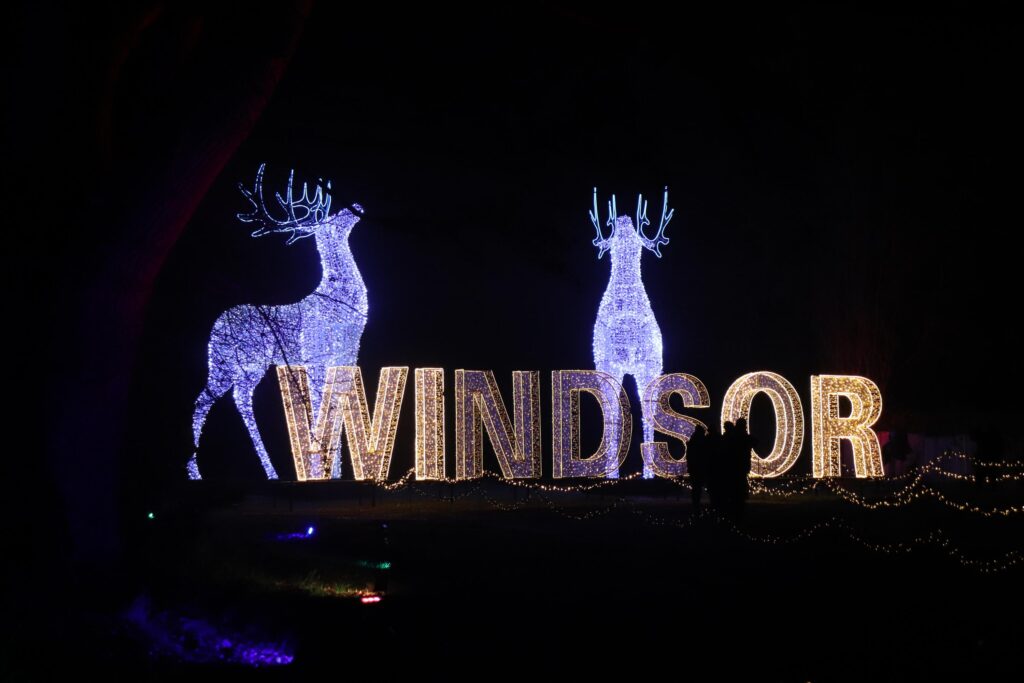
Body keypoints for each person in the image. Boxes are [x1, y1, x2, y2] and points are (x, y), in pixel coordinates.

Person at [687, 425, 710, 512]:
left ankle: (696, 503)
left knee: (696, 487)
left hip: (695, 467)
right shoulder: (703, 441)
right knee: (699, 486)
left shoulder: (692, 441)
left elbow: (689, 456)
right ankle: (697, 503)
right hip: (701, 467)